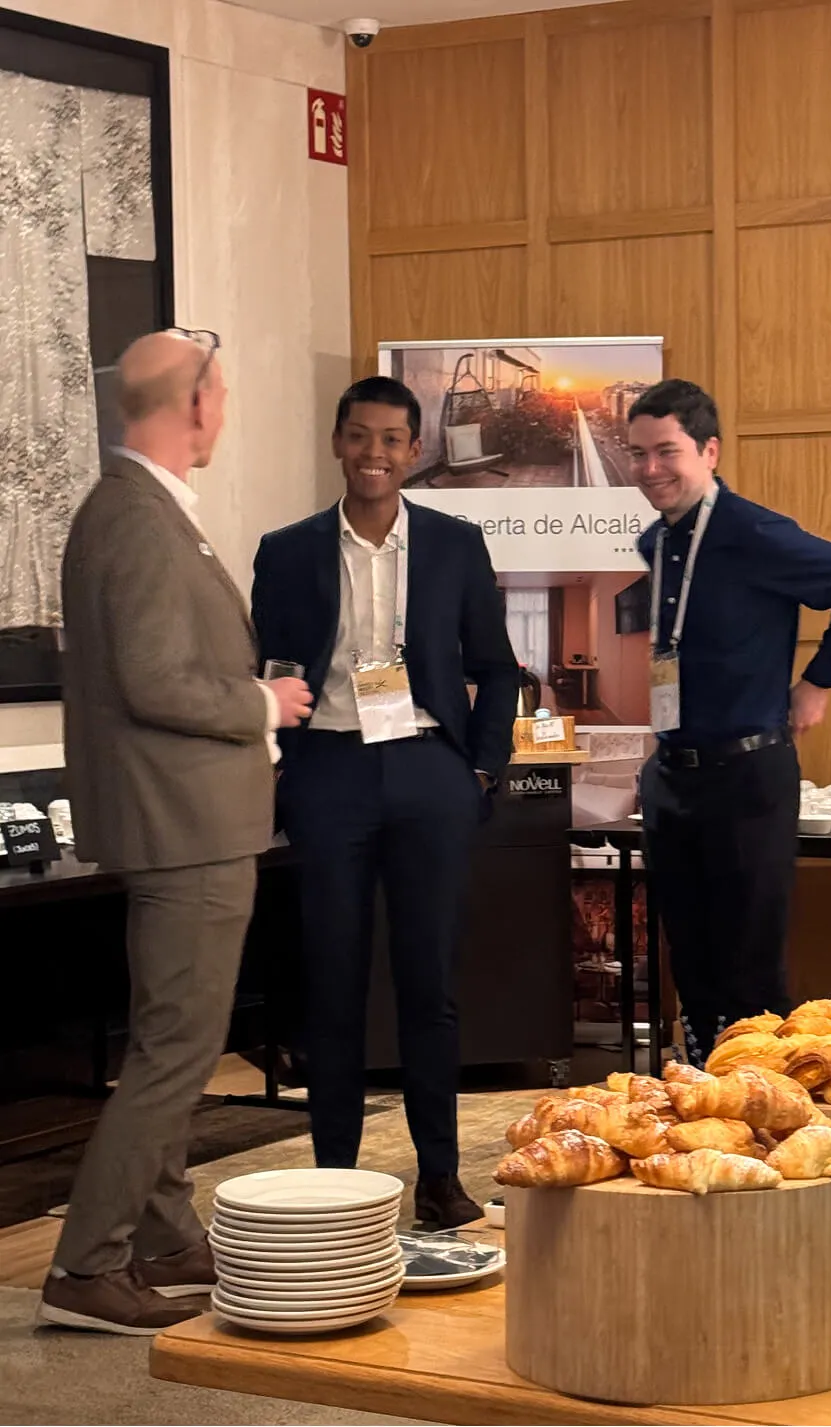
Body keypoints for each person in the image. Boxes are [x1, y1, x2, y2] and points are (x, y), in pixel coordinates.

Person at [41, 330, 313, 1335]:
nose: (225, 411)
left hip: (187, 820)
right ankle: (86, 1264)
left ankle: (163, 1236)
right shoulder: (134, 516)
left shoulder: (138, 508)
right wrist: (261, 702)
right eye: (223, 394)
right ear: (194, 404)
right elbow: (155, 680)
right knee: (176, 1051)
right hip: (185, 825)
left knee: (174, 1042)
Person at [251, 375, 518, 1227]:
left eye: (391, 439)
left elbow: (497, 667)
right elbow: (270, 672)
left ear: (413, 450)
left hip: (429, 772)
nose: (374, 453)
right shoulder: (286, 550)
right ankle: (335, 1183)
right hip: (329, 774)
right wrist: (280, 768)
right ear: (338, 442)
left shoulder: (454, 544)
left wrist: (480, 769)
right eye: (359, 436)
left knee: (428, 980)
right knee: (331, 978)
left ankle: (440, 1177)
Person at [628, 379, 831, 1067]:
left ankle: (762, 1096)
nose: (650, 469)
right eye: (638, 454)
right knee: (691, 956)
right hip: (672, 776)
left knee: (748, 962)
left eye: (667, 451)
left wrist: (819, 682)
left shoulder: (752, 532)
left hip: (746, 773)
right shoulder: (658, 542)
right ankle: (706, 1086)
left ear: (709, 451)